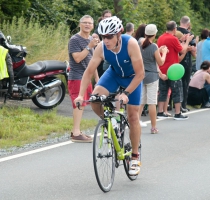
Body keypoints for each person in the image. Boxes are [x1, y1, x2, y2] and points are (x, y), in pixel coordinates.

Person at [74, 16, 144, 175]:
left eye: (109, 37)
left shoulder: (131, 44)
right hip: (114, 74)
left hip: (133, 78)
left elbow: (141, 74)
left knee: (133, 116)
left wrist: (126, 93)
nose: (106, 40)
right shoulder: (101, 48)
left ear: (119, 34)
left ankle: (134, 157)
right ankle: (111, 122)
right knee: (94, 99)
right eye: (103, 36)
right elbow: (88, 72)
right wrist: (79, 95)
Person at [68, 15, 99, 143]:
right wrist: (89, 46)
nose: (87, 25)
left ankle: (78, 131)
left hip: (86, 77)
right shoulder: (75, 39)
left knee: (83, 104)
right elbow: (77, 58)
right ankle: (75, 133)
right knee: (78, 104)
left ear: (92, 26)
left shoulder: (91, 39)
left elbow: (93, 61)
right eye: (84, 23)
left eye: (89, 23)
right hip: (76, 76)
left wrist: (97, 79)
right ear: (80, 24)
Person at [156, 20, 193, 120]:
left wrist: (182, 40)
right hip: (173, 69)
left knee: (163, 91)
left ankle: (160, 111)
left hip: (162, 68)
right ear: (174, 29)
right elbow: (182, 50)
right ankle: (178, 113)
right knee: (177, 90)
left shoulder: (160, 37)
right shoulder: (173, 39)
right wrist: (187, 41)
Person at [137, 24, 168, 134]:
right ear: (154, 34)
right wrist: (163, 53)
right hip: (152, 76)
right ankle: (153, 127)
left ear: (145, 33)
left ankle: (135, 123)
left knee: (141, 101)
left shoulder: (140, 45)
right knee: (151, 102)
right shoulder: (153, 46)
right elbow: (160, 62)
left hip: (142, 76)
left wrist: (158, 50)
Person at [177, 16, 197, 113]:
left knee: (174, 82)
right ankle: (183, 105)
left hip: (175, 59)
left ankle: (172, 104)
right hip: (186, 60)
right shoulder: (189, 34)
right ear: (188, 24)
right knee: (185, 83)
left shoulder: (175, 31)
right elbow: (193, 49)